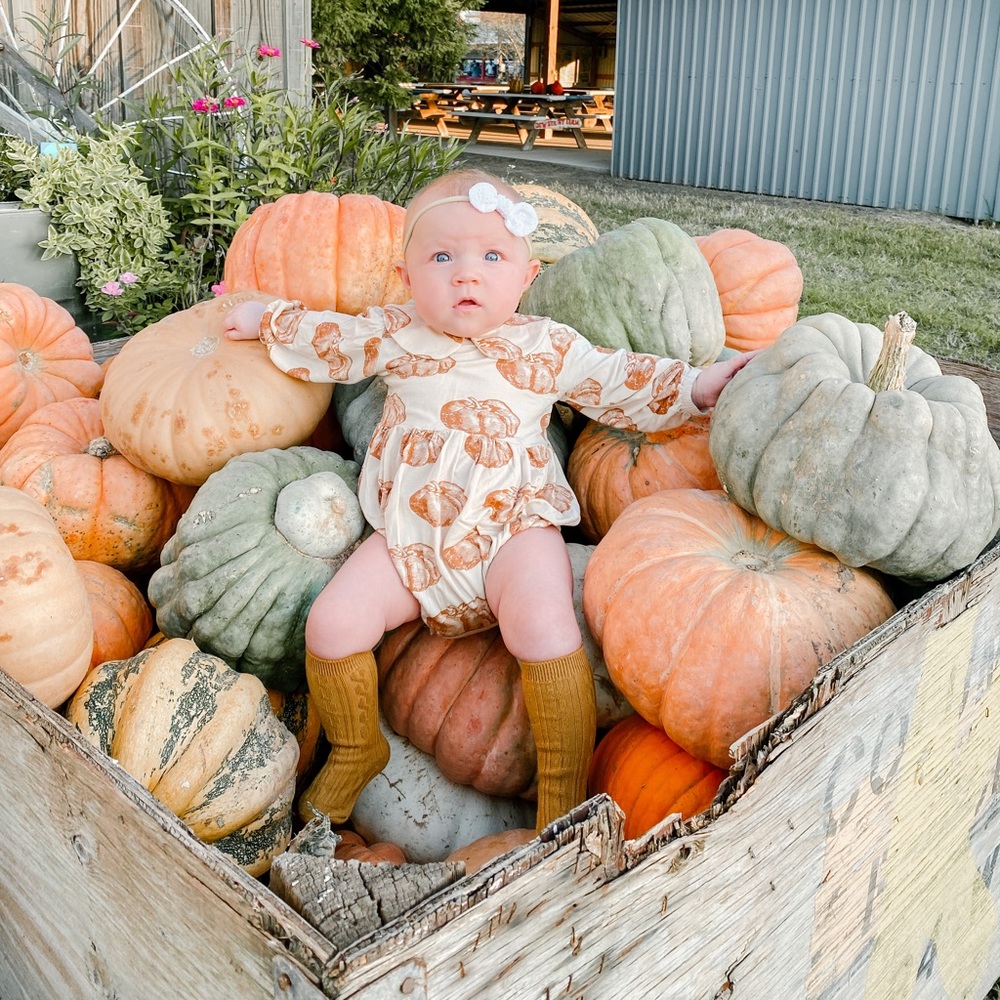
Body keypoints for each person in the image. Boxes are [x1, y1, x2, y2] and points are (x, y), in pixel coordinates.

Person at [225, 168, 756, 832]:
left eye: (491, 258)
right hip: (412, 539)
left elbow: (617, 377)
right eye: (442, 257)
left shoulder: (547, 345)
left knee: (545, 626)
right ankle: (359, 747)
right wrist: (264, 318)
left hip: (514, 531)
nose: (466, 275)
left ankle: (560, 790)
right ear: (406, 276)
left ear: (526, 276)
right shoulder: (395, 333)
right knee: (332, 624)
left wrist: (697, 386)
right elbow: (328, 338)